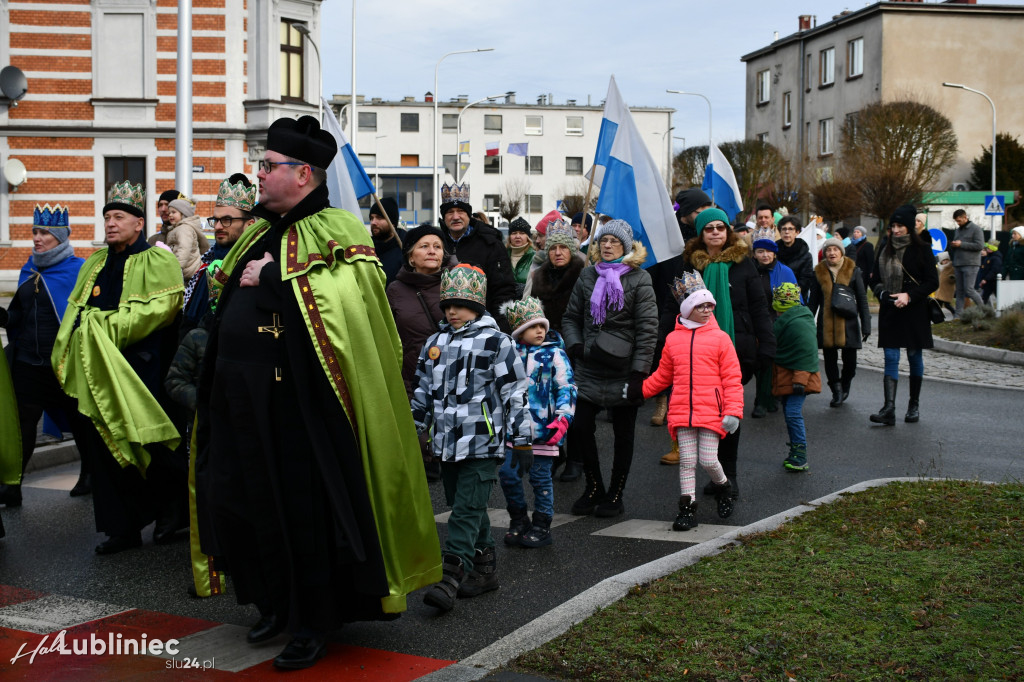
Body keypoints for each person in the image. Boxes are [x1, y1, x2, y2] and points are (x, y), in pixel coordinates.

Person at [195, 115, 440, 670]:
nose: (258, 175)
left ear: (303, 173)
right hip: (242, 401)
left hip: (304, 406)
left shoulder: (338, 229)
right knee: (249, 501)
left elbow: (350, 304)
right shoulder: (258, 231)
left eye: (268, 166)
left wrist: (278, 282)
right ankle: (274, 603)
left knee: (306, 511)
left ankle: (314, 619)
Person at [52, 181, 186, 554]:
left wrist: (103, 325)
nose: (111, 223)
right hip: (98, 372)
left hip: (142, 370)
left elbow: (160, 310)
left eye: (119, 217)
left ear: (138, 223)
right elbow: (75, 311)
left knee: (152, 443)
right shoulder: (95, 262)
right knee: (104, 448)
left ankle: (171, 512)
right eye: (107, 217)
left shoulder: (157, 259)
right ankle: (120, 528)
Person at [411, 264, 531, 611]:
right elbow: (422, 391)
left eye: (461, 305)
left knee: (463, 511)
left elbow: (515, 393)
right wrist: (417, 431)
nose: (452, 311)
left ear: (477, 306)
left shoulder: (497, 342)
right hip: (446, 444)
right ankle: (485, 571)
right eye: (447, 304)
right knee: (468, 508)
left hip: (481, 442)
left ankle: (450, 576)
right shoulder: (435, 342)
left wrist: (522, 439)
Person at [677, 208, 775, 499]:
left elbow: (759, 307)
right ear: (701, 234)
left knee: (729, 411)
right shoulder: (688, 266)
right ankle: (713, 472)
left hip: (736, 349)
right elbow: (676, 307)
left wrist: (767, 345)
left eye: (721, 227)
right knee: (706, 414)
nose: (716, 232)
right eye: (710, 229)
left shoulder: (744, 265)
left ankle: (728, 474)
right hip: (696, 352)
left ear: (728, 232)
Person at [562, 219, 658, 518]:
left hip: (624, 369)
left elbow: (647, 330)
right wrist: (576, 346)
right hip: (588, 366)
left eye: (614, 242)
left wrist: (638, 373)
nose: (606, 246)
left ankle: (615, 493)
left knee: (623, 434)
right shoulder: (587, 275)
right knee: (580, 428)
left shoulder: (640, 280)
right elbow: (570, 317)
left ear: (626, 247)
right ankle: (593, 487)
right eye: (603, 240)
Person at [633, 271, 739, 531]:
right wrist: (639, 391)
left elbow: (732, 378)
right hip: (682, 411)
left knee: (708, 460)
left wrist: (733, 411)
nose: (706, 310)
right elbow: (663, 376)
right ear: (687, 308)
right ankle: (687, 509)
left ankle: (723, 486)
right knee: (687, 463)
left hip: (712, 412)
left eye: (709, 305)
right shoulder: (673, 339)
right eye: (700, 305)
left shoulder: (721, 339)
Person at [0, 204, 90, 507]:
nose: (37, 238)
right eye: (35, 232)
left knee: (80, 421)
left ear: (61, 237)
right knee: (24, 422)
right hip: (28, 361)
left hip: (63, 364)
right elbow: (20, 314)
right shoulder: (30, 267)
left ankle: (89, 473)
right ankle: (13, 484)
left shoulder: (78, 270)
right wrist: (5, 319)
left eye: (45, 233)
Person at [499, 297, 576, 548]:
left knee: (541, 478)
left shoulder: (555, 354)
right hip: (514, 431)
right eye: (533, 327)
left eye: (542, 326)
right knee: (508, 475)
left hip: (544, 431)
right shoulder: (509, 354)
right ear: (521, 332)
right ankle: (519, 519)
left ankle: (542, 524)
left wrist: (562, 419)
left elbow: (566, 387)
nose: (540, 331)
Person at [648, 189, 713, 460]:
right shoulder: (666, 233)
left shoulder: (704, 236)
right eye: (698, 210)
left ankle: (687, 418)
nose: (702, 215)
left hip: (696, 304)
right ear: (685, 212)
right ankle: (661, 401)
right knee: (663, 353)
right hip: (667, 300)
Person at [386, 223, 453, 482]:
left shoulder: (456, 283)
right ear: (410, 256)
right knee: (420, 459)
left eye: (437, 246)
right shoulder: (394, 290)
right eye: (424, 246)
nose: (432, 251)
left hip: (452, 378)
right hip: (411, 378)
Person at [868, 204, 938, 426]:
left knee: (914, 356)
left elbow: (932, 282)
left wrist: (909, 295)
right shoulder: (884, 248)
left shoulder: (923, 249)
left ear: (909, 227)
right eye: (893, 226)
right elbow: (873, 278)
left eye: (900, 226)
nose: (896, 230)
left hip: (914, 310)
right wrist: (882, 293)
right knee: (891, 357)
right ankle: (889, 409)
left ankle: (913, 405)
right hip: (890, 309)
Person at [182, 175, 257, 335]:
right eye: (215, 220)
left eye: (227, 220)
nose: (217, 226)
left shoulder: (251, 266)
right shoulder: (207, 262)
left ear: (249, 225)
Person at [438, 182, 517, 330]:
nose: (456, 217)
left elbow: (503, 291)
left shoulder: (491, 244)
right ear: (443, 216)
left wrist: (499, 328)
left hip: (483, 328)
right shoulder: (436, 243)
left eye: (461, 211)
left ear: (468, 214)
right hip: (445, 327)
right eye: (450, 212)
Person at [808, 237, 871, 407]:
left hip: (848, 324)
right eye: (828, 250)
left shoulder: (853, 270)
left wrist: (866, 325)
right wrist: (807, 323)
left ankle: (845, 384)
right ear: (825, 253)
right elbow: (813, 302)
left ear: (841, 252)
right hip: (827, 324)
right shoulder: (818, 272)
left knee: (850, 362)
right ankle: (836, 390)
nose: (832, 253)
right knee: (830, 359)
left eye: (835, 249)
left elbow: (862, 299)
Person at [770, 282, 820, 471]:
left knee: (792, 413)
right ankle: (795, 453)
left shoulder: (798, 323)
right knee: (788, 412)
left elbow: (807, 353)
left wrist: (800, 379)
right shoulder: (788, 320)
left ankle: (800, 456)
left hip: (800, 378)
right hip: (788, 375)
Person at [750, 227, 798, 418]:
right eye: (760, 251)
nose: (765, 255)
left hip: (775, 323)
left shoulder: (784, 272)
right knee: (759, 362)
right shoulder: (749, 270)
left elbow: (794, 303)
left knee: (770, 362)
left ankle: (764, 399)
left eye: (768, 251)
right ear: (754, 253)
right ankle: (765, 398)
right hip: (753, 323)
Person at [160, 196, 210, 282]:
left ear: (183, 214)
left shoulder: (184, 229)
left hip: (188, 272)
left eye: (174, 212)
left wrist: (176, 268)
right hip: (186, 272)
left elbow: (184, 249)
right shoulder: (177, 229)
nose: (170, 215)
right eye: (169, 213)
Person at [949, 209, 985, 317]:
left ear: (965, 217)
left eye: (959, 221)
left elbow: (979, 246)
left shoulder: (976, 229)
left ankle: (984, 311)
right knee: (959, 291)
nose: (958, 223)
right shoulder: (958, 230)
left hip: (971, 264)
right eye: (956, 221)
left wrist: (961, 244)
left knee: (969, 290)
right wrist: (954, 245)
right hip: (958, 263)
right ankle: (958, 316)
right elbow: (959, 245)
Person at [369, 196, 406, 285]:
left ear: (392, 222)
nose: (373, 222)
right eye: (371, 218)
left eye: (379, 217)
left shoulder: (406, 248)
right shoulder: (367, 248)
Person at [776, 215, 814, 301]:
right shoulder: (773, 252)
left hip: (796, 299)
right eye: (784, 229)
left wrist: (790, 295)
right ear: (780, 231)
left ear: (797, 232)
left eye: (790, 229)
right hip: (774, 297)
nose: (787, 232)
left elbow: (805, 280)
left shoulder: (806, 255)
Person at [507, 217, 536, 298]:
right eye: (514, 233)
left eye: (522, 233)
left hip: (527, 306)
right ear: (509, 236)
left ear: (528, 236)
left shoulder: (535, 258)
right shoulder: (502, 256)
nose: (517, 236)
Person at [845, 225, 874, 291]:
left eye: (858, 232)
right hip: (851, 272)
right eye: (854, 232)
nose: (855, 234)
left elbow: (870, 260)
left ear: (862, 234)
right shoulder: (850, 245)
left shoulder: (868, 245)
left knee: (861, 291)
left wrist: (871, 272)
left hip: (862, 273)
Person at [934, 251, 956, 317]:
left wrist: (952, 278)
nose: (945, 261)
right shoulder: (940, 268)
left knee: (947, 304)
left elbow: (954, 278)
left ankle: (955, 313)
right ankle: (938, 316)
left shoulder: (951, 268)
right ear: (941, 261)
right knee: (939, 304)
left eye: (947, 260)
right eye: (944, 260)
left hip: (948, 289)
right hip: (941, 289)